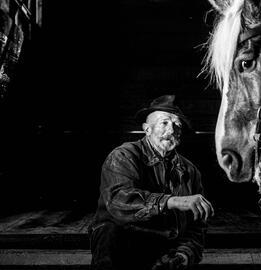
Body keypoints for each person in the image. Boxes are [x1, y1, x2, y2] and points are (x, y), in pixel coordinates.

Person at [89, 94, 214, 270]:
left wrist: (185, 254)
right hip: (124, 244)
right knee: (109, 231)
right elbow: (119, 200)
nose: (172, 130)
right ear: (147, 129)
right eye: (165, 123)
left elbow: (197, 227)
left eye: (177, 125)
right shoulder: (124, 155)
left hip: (164, 246)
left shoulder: (190, 171)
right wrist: (173, 201)